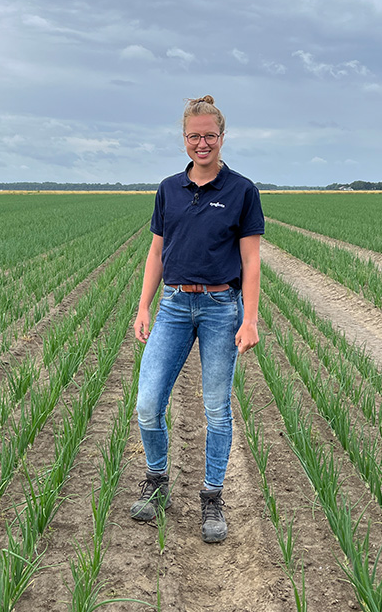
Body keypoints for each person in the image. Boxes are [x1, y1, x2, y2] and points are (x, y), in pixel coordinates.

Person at [130, 95, 264, 543]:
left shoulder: (242, 190)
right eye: (193, 136)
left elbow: (251, 260)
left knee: (216, 409)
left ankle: (211, 497)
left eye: (209, 135)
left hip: (221, 308)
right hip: (172, 305)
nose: (201, 143)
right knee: (148, 404)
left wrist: (251, 319)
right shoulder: (168, 188)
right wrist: (144, 305)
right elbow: (155, 250)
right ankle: (157, 482)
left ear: (222, 138)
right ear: (183, 139)